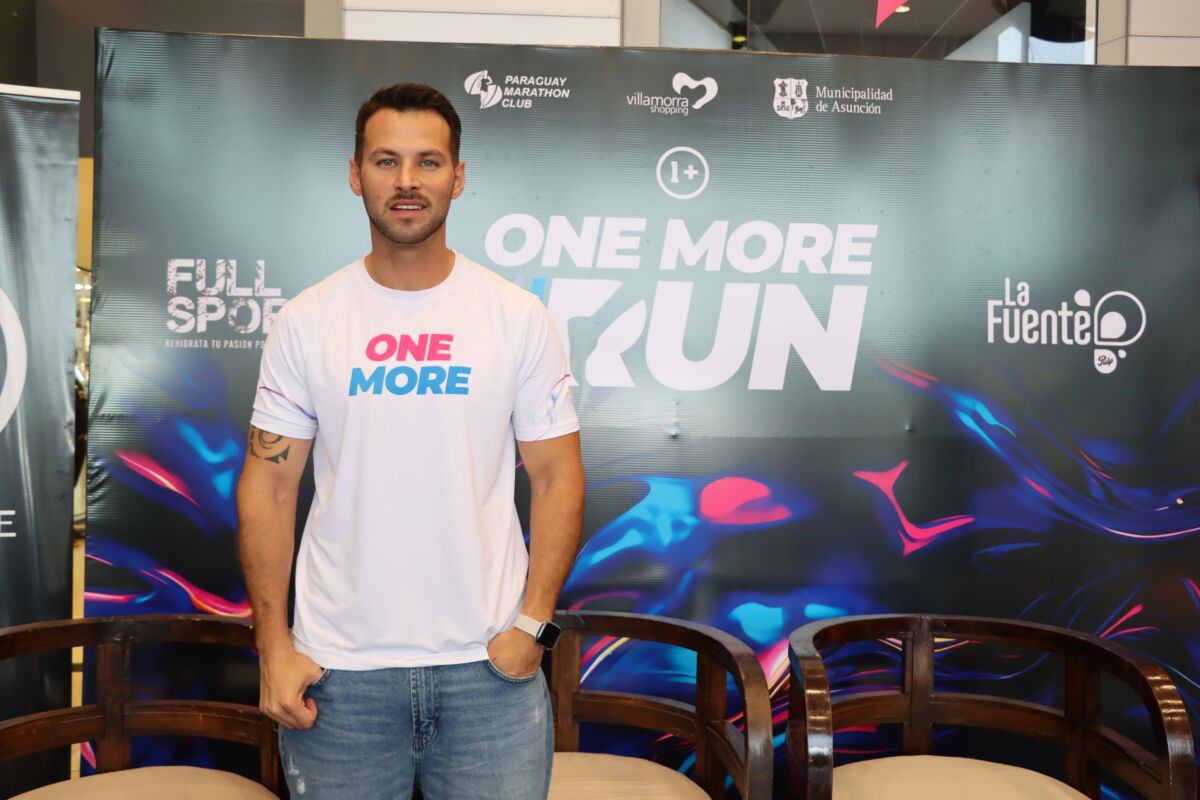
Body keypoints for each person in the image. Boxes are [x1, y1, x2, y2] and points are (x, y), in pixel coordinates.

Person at [236, 83, 584, 799]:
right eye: (386, 160)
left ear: (458, 176)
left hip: (491, 673)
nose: (406, 181)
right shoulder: (307, 321)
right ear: (355, 173)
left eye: (428, 162)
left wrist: (534, 629)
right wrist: (273, 644)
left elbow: (558, 477)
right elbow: (268, 484)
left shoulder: (517, 316)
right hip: (338, 675)